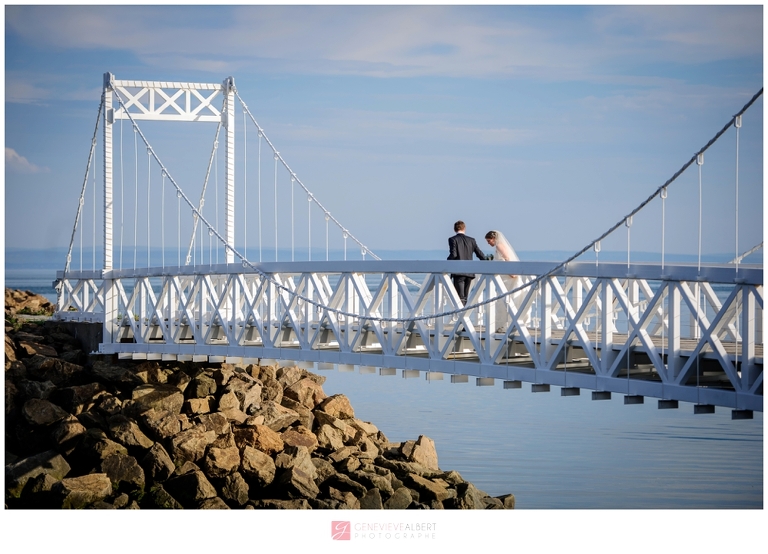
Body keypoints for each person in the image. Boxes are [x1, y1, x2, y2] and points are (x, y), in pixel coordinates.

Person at [485, 230, 523, 332]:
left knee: (506, 300)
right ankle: (505, 324)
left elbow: (507, 258)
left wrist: (511, 273)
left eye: (489, 241)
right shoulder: (499, 246)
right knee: (505, 300)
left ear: (494, 238)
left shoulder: (499, 246)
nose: (488, 243)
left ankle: (506, 324)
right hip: (503, 278)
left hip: (507, 278)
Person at [447, 220, 486, 305]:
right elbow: (479, 254)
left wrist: (447, 262)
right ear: (464, 228)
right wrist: (487, 262)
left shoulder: (452, 239)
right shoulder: (471, 240)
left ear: (454, 229)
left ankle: (461, 315)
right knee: (465, 297)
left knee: (459, 297)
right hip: (469, 272)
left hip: (458, 271)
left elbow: (454, 254)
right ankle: (464, 315)